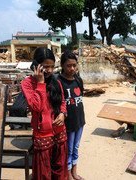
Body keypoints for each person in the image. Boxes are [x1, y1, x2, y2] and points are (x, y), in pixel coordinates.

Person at [21, 47, 68, 180]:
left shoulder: (56, 82)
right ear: (36, 65)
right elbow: (36, 106)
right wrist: (40, 83)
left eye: (52, 66)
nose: (50, 70)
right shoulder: (27, 84)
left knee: (60, 170)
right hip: (43, 135)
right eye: (46, 66)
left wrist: (63, 114)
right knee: (43, 174)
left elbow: (63, 102)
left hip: (60, 132)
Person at [58, 51, 85, 180]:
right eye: (69, 65)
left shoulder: (78, 80)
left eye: (74, 65)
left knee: (75, 147)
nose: (72, 68)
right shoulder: (58, 81)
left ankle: (74, 171)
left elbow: (80, 97)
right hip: (67, 123)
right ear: (62, 65)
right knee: (68, 149)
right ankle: (67, 173)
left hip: (80, 121)